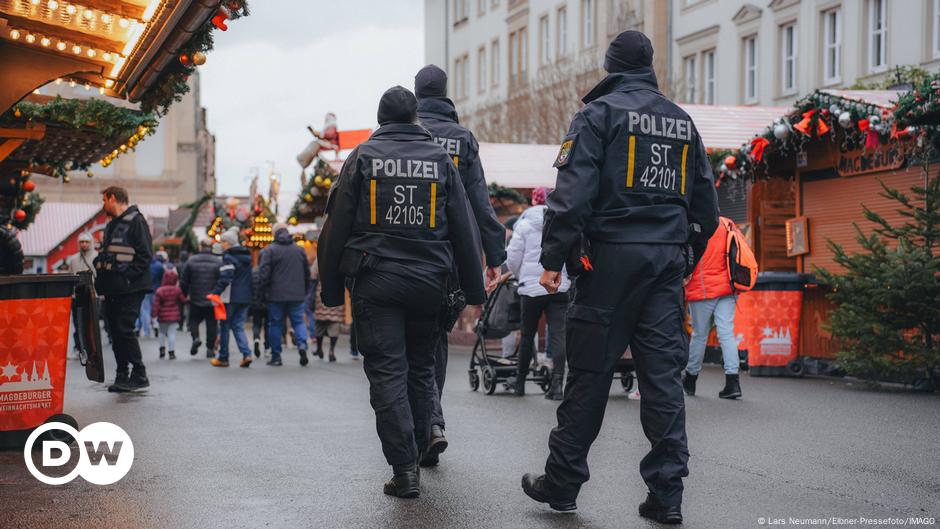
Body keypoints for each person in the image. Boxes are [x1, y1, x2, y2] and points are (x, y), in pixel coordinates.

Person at [519, 31, 719, 525]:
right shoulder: (681, 122)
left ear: (609, 67)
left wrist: (552, 259)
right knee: (662, 381)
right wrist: (681, 255)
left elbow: (571, 197)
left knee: (588, 376)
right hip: (664, 265)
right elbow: (707, 211)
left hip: (607, 262)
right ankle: (667, 496)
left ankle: (562, 486)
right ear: (649, 66)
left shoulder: (597, 115)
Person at [317, 86, 485, 498]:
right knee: (421, 368)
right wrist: (472, 288)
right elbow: (463, 227)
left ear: (380, 120)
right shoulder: (441, 160)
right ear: (415, 119)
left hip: (376, 282)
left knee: (388, 374)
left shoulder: (362, 159)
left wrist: (333, 290)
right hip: (430, 282)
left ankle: (404, 469)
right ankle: (421, 443)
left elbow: (334, 228)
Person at [414, 64, 506, 466]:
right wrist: (495, 258)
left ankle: (423, 424)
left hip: (398, 257)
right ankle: (430, 424)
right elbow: (479, 203)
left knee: (402, 345)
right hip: (446, 260)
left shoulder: (398, 133)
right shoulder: (462, 139)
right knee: (432, 341)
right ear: (446, 93)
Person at [506, 187, 571, 400]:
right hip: (558, 285)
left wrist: (519, 276)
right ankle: (557, 386)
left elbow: (513, 258)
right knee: (559, 334)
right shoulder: (561, 223)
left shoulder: (524, 225)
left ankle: (520, 382)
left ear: (533, 202)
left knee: (527, 334)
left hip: (531, 288)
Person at [93, 186, 155, 392]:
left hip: (131, 287)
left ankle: (139, 373)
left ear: (113, 198)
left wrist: (127, 279)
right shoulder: (111, 225)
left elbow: (145, 255)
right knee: (114, 329)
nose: (103, 205)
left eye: (104, 200)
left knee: (124, 327)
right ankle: (122, 374)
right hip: (113, 288)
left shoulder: (136, 221)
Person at [683, 217, 742, 399]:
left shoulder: (695, 222)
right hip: (728, 286)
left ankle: (690, 380)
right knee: (727, 333)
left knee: (699, 335)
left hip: (703, 289)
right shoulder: (727, 223)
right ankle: (733, 382)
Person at [259, 223, 311, 367]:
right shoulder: (299, 250)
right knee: (299, 322)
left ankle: (276, 356)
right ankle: (302, 345)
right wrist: (304, 290)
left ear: (274, 234)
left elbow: (264, 274)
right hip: (297, 294)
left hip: (276, 295)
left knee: (275, 323)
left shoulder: (270, 250)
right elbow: (306, 273)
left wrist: (263, 291)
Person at [210, 228, 254, 368]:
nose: (221, 244)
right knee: (238, 326)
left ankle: (223, 358)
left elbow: (226, 277)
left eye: (223, 241)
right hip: (245, 297)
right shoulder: (246, 256)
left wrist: (216, 292)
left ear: (228, 243)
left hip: (230, 297)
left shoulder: (228, 257)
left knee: (225, 326)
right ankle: (246, 354)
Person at [181, 239, 221, 358]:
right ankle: (210, 349)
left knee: (193, 320)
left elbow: (184, 280)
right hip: (211, 299)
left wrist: (185, 293)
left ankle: (196, 337)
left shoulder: (191, 261)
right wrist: (217, 293)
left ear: (200, 246)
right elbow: (221, 280)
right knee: (212, 324)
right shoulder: (217, 262)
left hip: (195, 298)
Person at [309, 258, 344, 362]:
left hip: (322, 292)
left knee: (320, 323)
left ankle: (319, 348)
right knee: (334, 321)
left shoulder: (320, 257)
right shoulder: (339, 256)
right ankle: (331, 351)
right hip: (337, 291)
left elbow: (312, 274)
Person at [152, 268, 186, 359]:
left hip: (162, 316)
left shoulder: (160, 290)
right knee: (172, 334)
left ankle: (162, 349)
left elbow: (156, 305)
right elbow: (183, 300)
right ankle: (171, 352)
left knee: (162, 333)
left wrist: (154, 315)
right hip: (174, 316)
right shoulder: (177, 290)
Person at [138, 251, 167, 339]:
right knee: (156, 310)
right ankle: (156, 325)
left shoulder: (143, 265)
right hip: (156, 290)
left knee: (145, 311)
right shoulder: (159, 265)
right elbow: (163, 278)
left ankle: (147, 331)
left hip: (145, 290)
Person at [250, 266, 269, 358]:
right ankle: (267, 348)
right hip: (268, 303)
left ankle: (256, 338)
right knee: (268, 325)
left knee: (256, 323)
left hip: (255, 303)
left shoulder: (253, 272)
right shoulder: (270, 271)